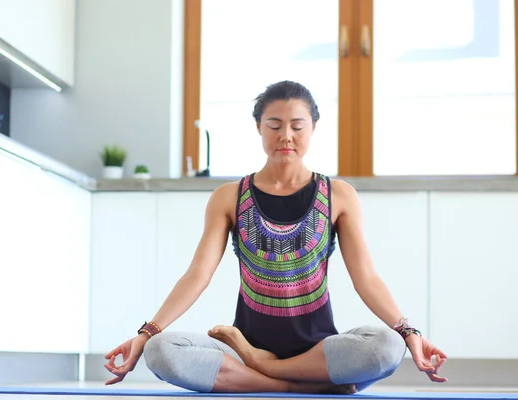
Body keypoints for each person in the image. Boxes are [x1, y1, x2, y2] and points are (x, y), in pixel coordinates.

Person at [103, 80, 448, 394]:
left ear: (313, 128)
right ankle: (295, 383)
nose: (286, 136)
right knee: (162, 352)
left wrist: (409, 333)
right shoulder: (229, 196)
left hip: (317, 351)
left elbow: (367, 278)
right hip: (242, 345)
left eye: (297, 126)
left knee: (386, 347)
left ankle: (263, 370)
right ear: (258, 128)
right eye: (274, 125)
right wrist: (147, 332)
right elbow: (198, 275)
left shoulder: (339, 195)